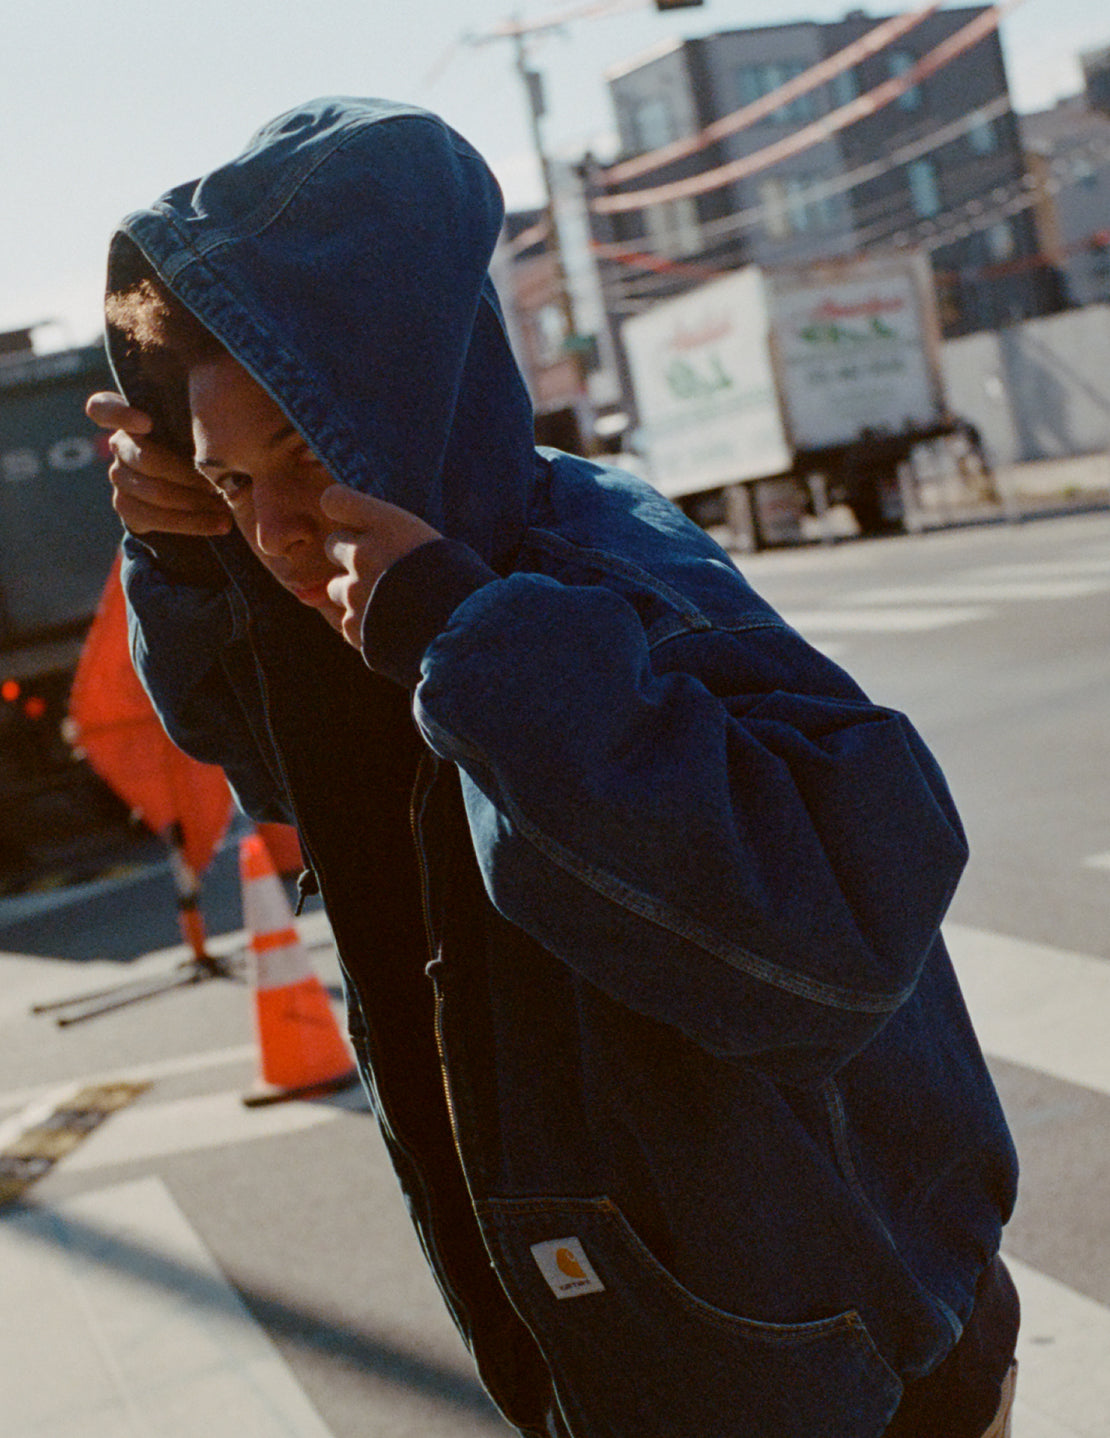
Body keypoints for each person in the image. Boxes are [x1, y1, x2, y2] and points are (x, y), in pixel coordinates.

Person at [88, 98, 1019, 1438]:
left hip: (851, 1377)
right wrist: (189, 561)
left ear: (408, 403)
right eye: (231, 481)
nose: (278, 529)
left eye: (300, 452)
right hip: (631, 1361)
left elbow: (836, 935)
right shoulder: (375, 587)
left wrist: (463, 641)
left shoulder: (589, 571)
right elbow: (282, 769)